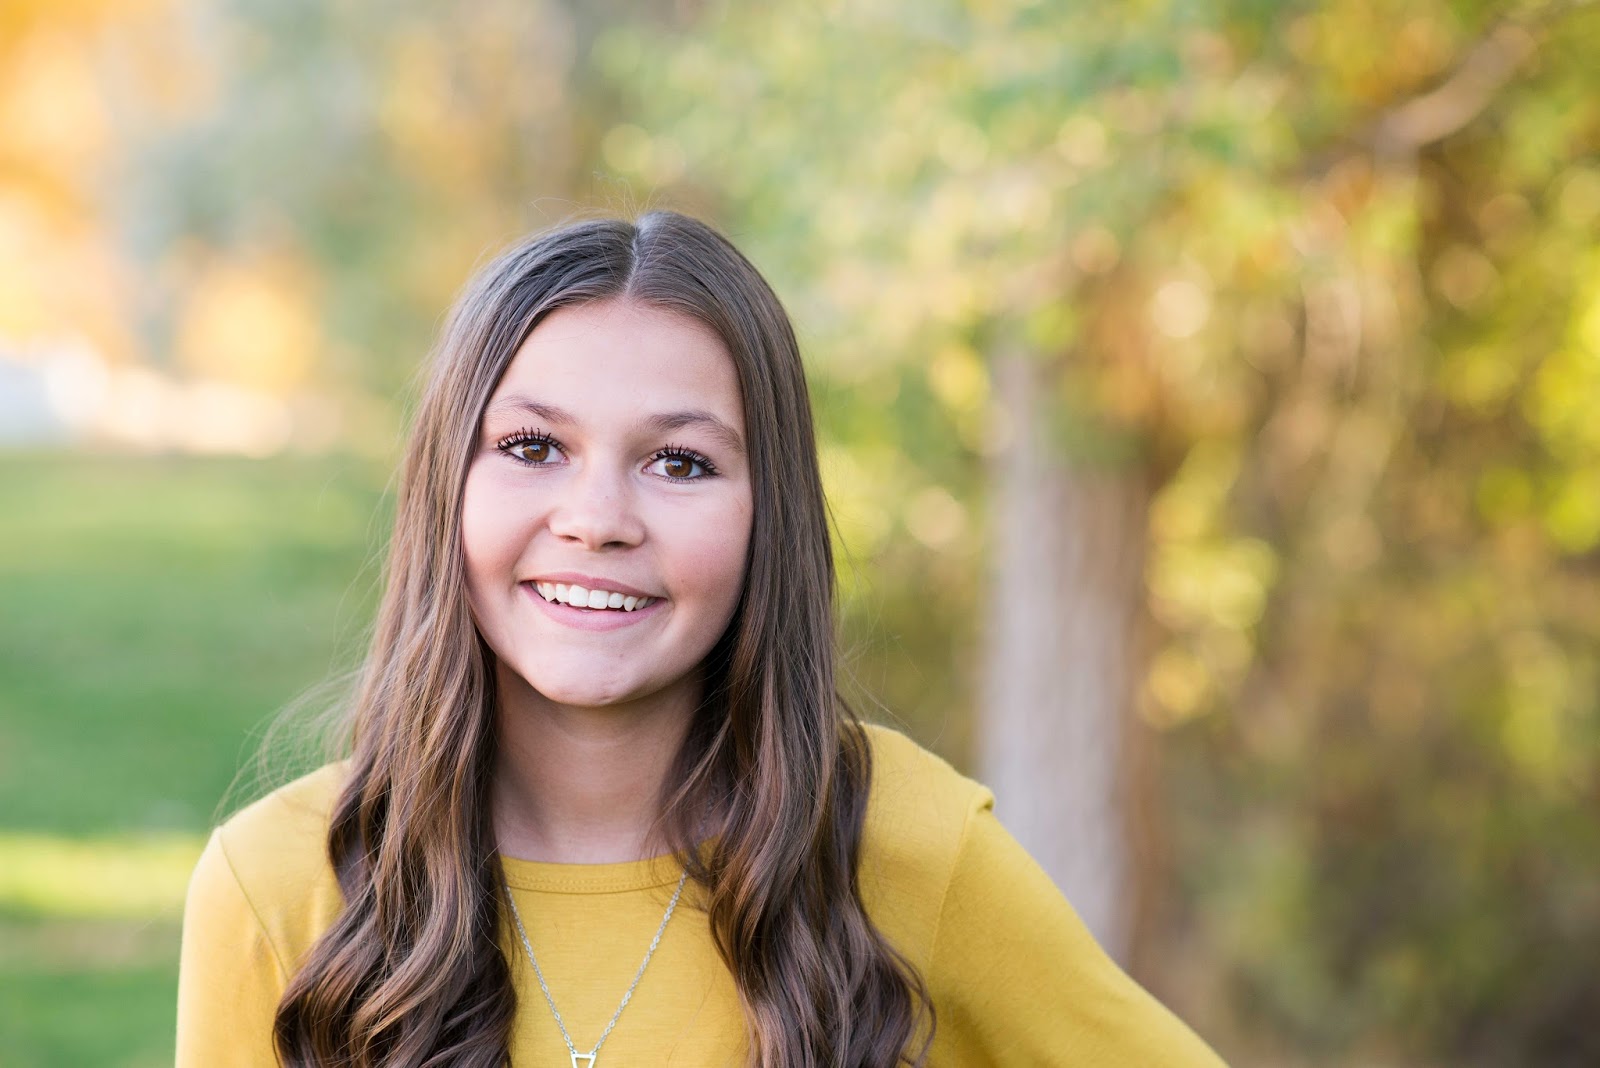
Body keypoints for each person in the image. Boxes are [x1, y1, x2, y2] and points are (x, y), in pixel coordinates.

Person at [176, 212, 1227, 1067]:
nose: (597, 520)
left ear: (769, 513)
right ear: (445, 486)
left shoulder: (909, 851)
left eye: (678, 463)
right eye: (533, 446)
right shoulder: (279, 889)